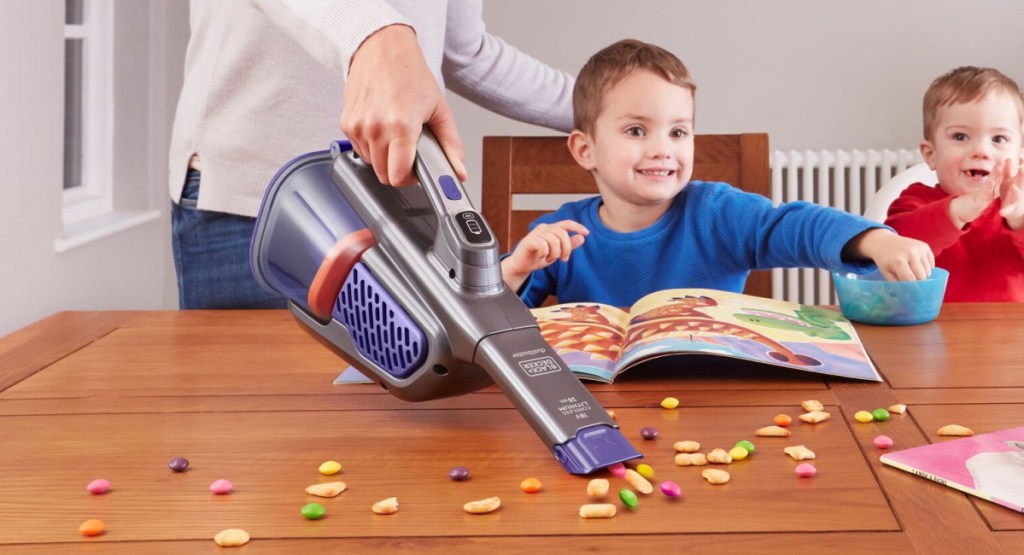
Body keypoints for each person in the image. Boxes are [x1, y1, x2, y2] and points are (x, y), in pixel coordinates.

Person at [168, 0, 575, 309]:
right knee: (250, 412)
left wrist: (608, 109)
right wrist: (378, 36)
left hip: (398, 206)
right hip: (258, 202)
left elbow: (465, 51)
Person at [500, 39, 935, 308]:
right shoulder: (557, 235)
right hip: (602, 407)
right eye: (636, 130)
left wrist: (876, 239)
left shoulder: (718, 213)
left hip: (721, 399)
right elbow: (493, 326)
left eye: (678, 132)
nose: (661, 149)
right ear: (585, 149)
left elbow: (796, 226)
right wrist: (514, 271)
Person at [885, 66, 1024, 302]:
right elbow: (894, 247)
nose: (981, 151)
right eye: (960, 137)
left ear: (1019, 158)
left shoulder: (1019, 206)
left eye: (998, 139)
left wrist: (1019, 221)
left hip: (1011, 337)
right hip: (930, 333)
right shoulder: (915, 200)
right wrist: (957, 211)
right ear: (930, 154)